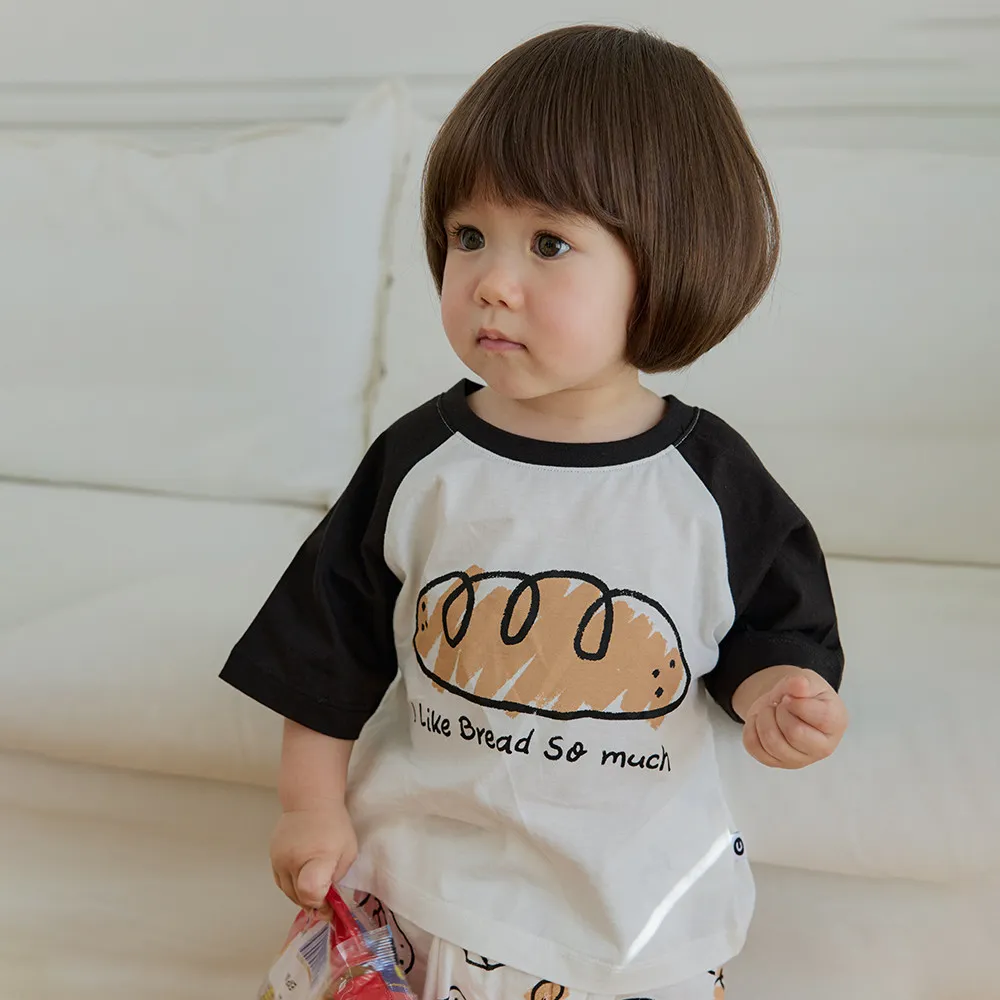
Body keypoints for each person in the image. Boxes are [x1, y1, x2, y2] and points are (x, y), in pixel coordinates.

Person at [221, 23, 848, 1000]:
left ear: (665, 260)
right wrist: (309, 808)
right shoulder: (423, 462)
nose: (490, 282)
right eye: (468, 236)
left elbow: (774, 629)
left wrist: (780, 694)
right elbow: (323, 651)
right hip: (418, 888)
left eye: (548, 242)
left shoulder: (709, 481)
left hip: (628, 915)